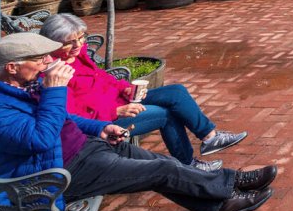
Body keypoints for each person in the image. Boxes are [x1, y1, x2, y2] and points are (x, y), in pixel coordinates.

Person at [0, 33, 276, 211]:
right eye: (39, 58)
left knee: (162, 164)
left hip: (82, 150)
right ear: (12, 67)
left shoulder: (22, 87)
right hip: (56, 174)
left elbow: (63, 120)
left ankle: (220, 207)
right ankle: (231, 184)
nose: (49, 61)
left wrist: (101, 128)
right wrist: (55, 90)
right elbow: (42, 138)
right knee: (160, 170)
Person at [38, 14, 245, 171]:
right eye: (70, 42)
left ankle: (210, 137)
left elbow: (103, 78)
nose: (78, 45)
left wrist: (126, 88)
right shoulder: (55, 73)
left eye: (81, 38)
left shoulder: (79, 55)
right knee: (166, 114)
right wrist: (117, 110)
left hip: (120, 100)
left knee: (176, 92)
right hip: (107, 121)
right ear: (53, 42)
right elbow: (73, 116)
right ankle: (189, 165)